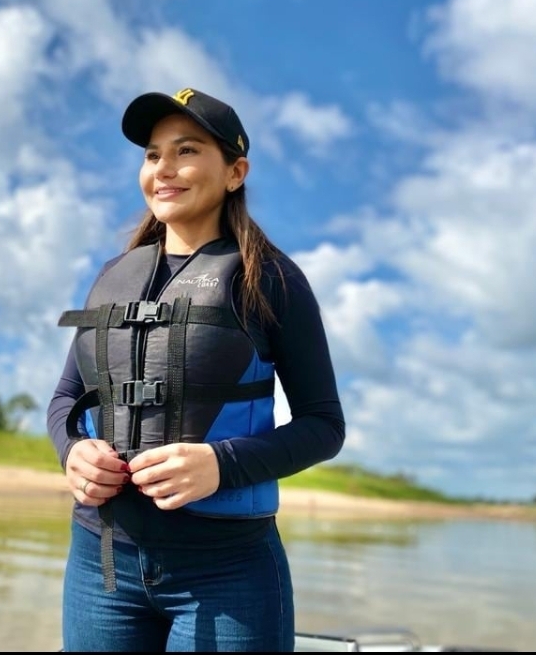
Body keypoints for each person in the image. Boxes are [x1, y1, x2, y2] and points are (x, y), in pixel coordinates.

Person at [47, 87, 345, 652]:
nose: (164, 168)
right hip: (100, 564)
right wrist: (73, 452)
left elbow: (324, 425)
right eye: (152, 154)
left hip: (227, 572)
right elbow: (67, 398)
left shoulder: (272, 280)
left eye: (186, 150)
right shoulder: (112, 277)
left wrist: (219, 464)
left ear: (235, 172)